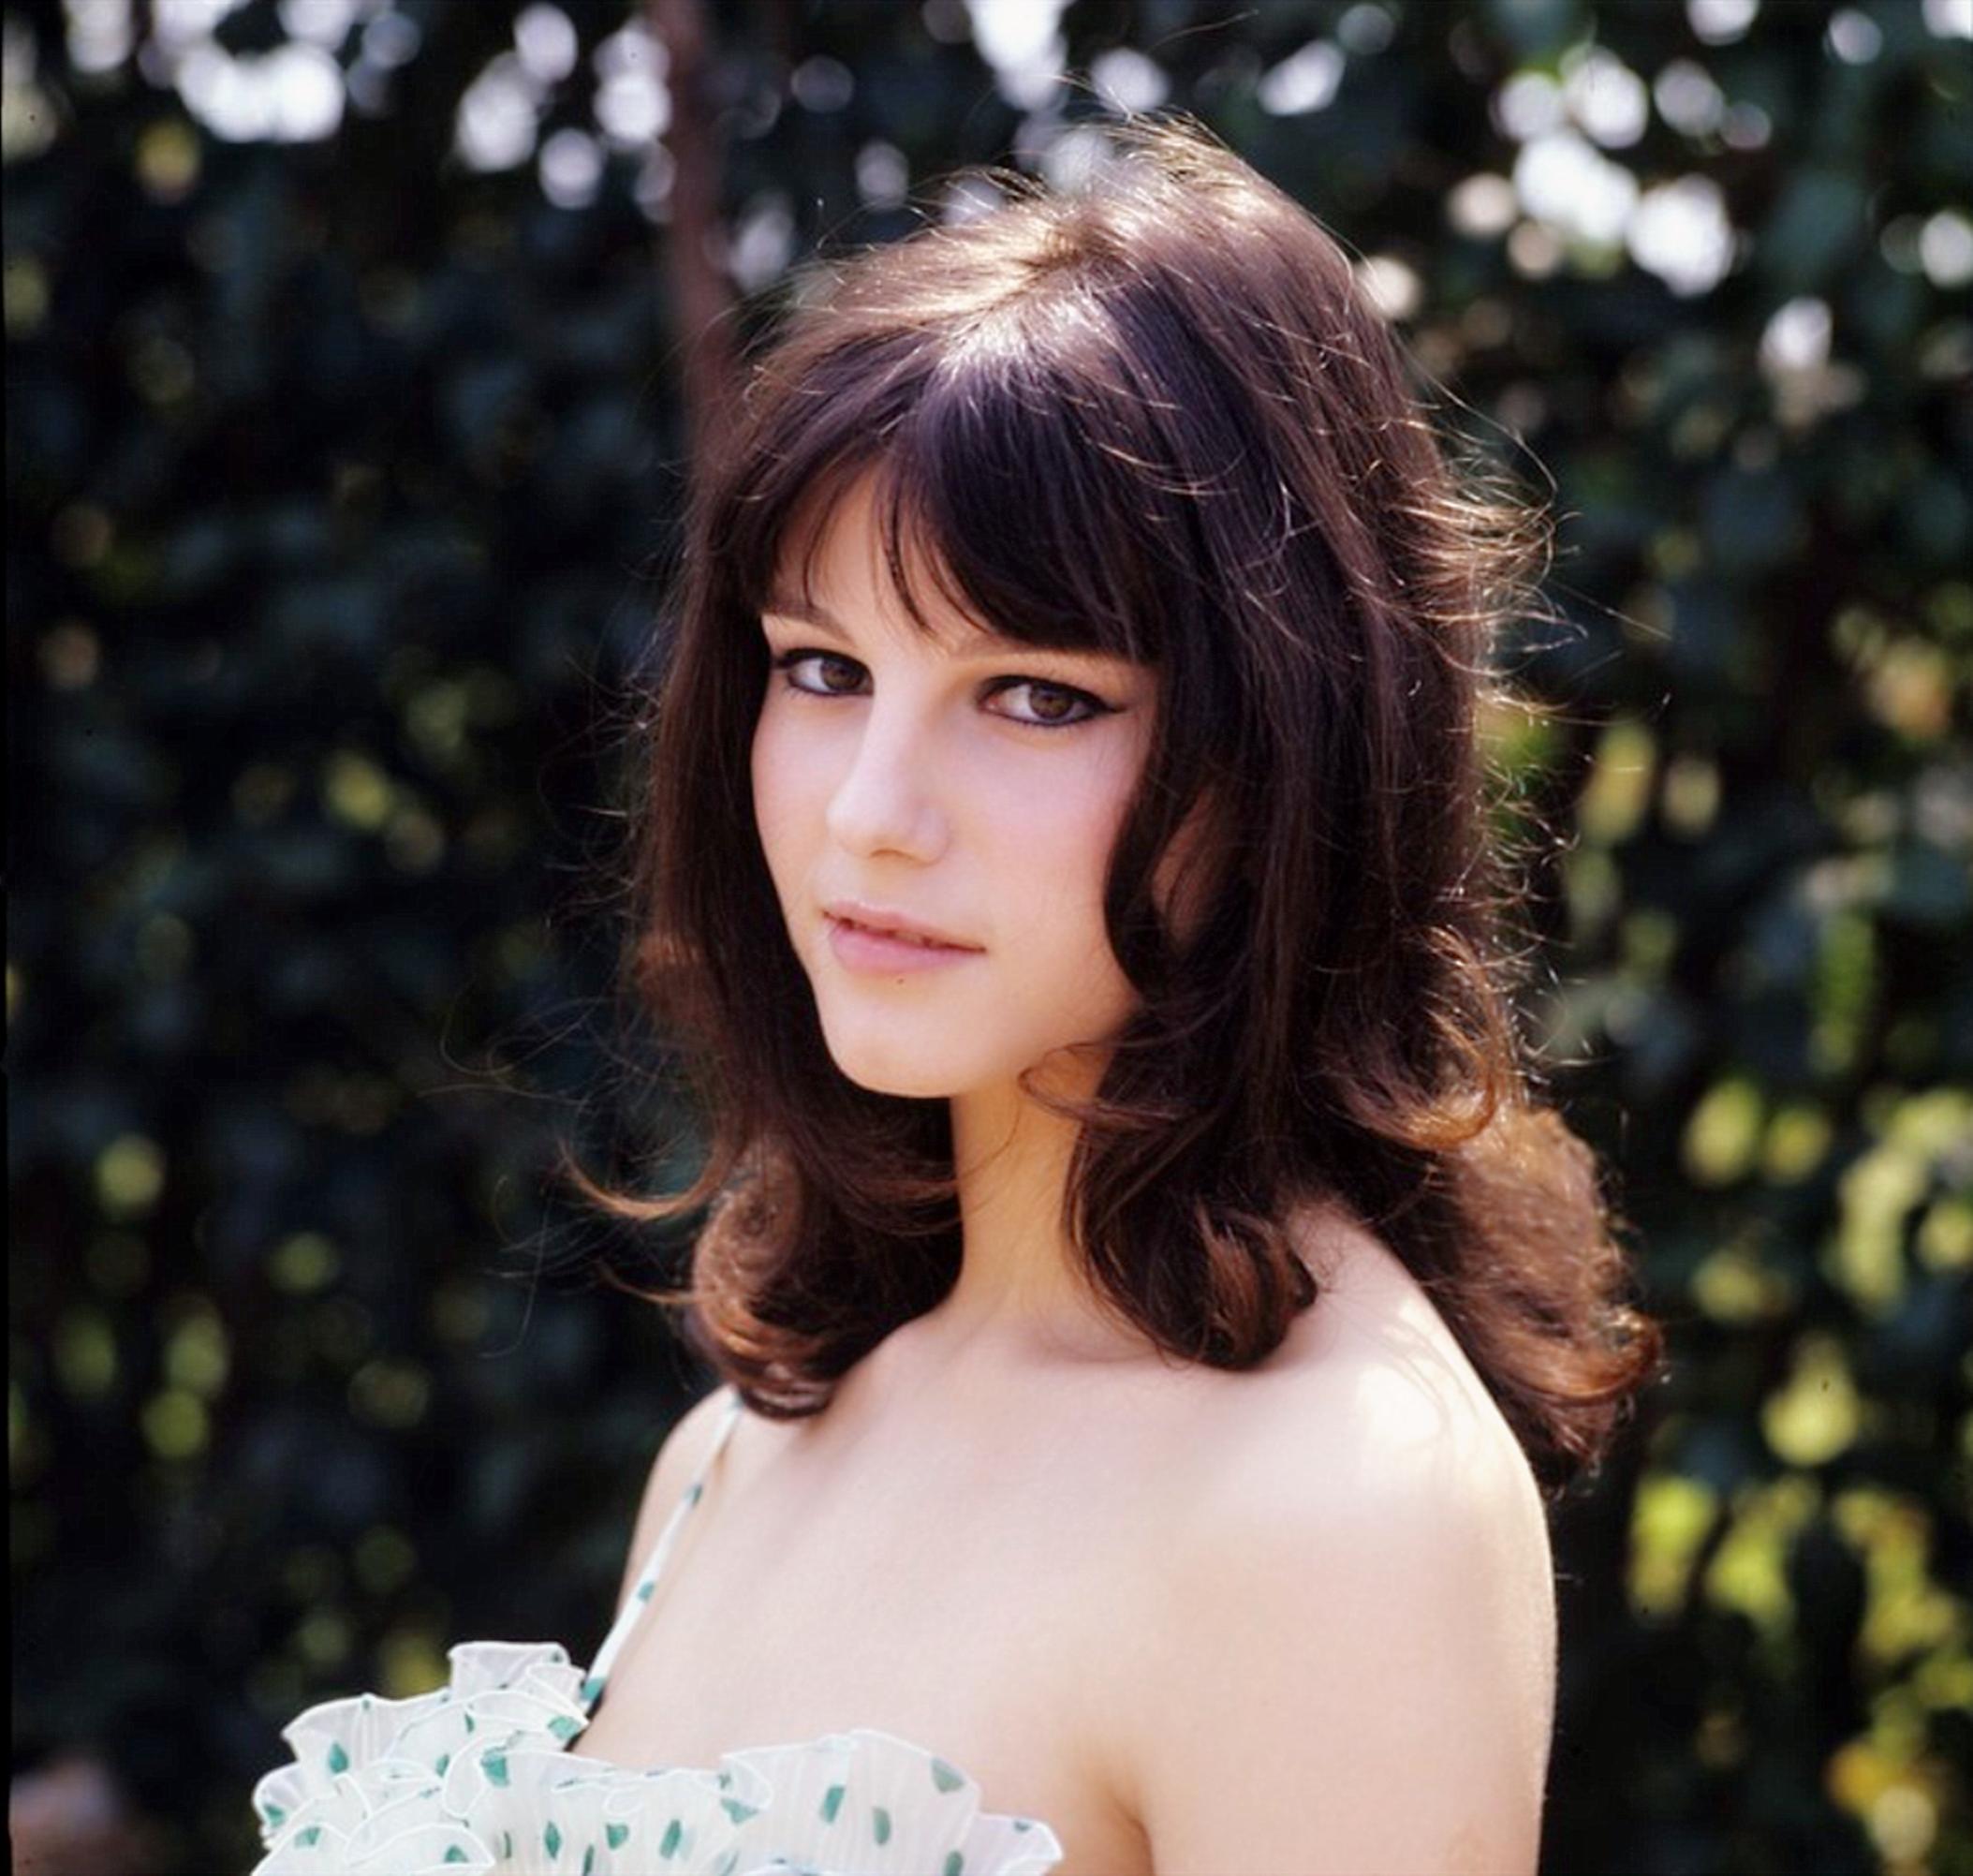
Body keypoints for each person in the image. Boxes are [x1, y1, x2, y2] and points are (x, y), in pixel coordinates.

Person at [250, 112, 1663, 1876]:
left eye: (1035, 696)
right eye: (822, 669)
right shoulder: (737, 1450)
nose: (870, 813)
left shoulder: (1335, 1504)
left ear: (1286, 754)